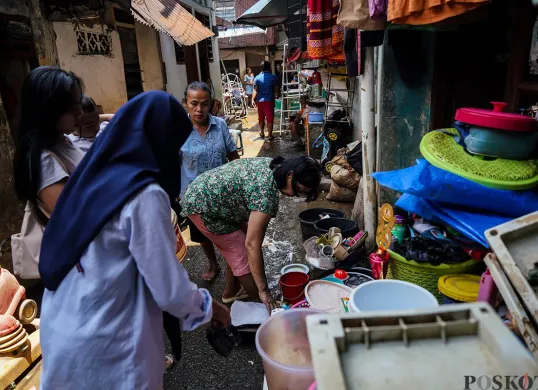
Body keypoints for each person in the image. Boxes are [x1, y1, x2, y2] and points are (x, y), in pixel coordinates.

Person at [38, 91, 231, 389]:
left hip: (64, 326)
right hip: (110, 341)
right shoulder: (143, 194)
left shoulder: (93, 173)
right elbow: (169, 290)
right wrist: (211, 307)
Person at [180, 156, 322, 312]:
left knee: (240, 242)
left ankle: (231, 292)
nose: (296, 195)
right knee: (242, 251)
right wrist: (264, 290)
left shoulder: (275, 166)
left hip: (213, 198)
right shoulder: (266, 195)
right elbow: (252, 244)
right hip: (204, 206)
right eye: (299, 190)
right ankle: (261, 305)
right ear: (290, 175)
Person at [181, 81, 240, 284]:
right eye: (194, 103)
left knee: (231, 232)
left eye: (204, 104)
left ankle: (234, 266)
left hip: (223, 192)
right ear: (185, 103)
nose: (199, 109)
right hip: (193, 195)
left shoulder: (220, 125)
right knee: (203, 236)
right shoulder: (178, 130)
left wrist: (240, 182)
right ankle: (213, 264)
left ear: (212, 104)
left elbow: (233, 154)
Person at [13, 66, 85, 223]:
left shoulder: (64, 140)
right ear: (49, 111)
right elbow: (74, 217)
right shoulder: (44, 161)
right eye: (73, 109)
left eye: (79, 104)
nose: (80, 112)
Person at [253, 61, 280, 140]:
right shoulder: (273, 77)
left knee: (261, 118)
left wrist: (252, 99)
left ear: (261, 68)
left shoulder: (257, 77)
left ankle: (262, 132)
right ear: (270, 67)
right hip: (269, 101)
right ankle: (270, 135)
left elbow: (256, 89)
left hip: (260, 101)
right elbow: (277, 90)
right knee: (269, 118)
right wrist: (277, 95)